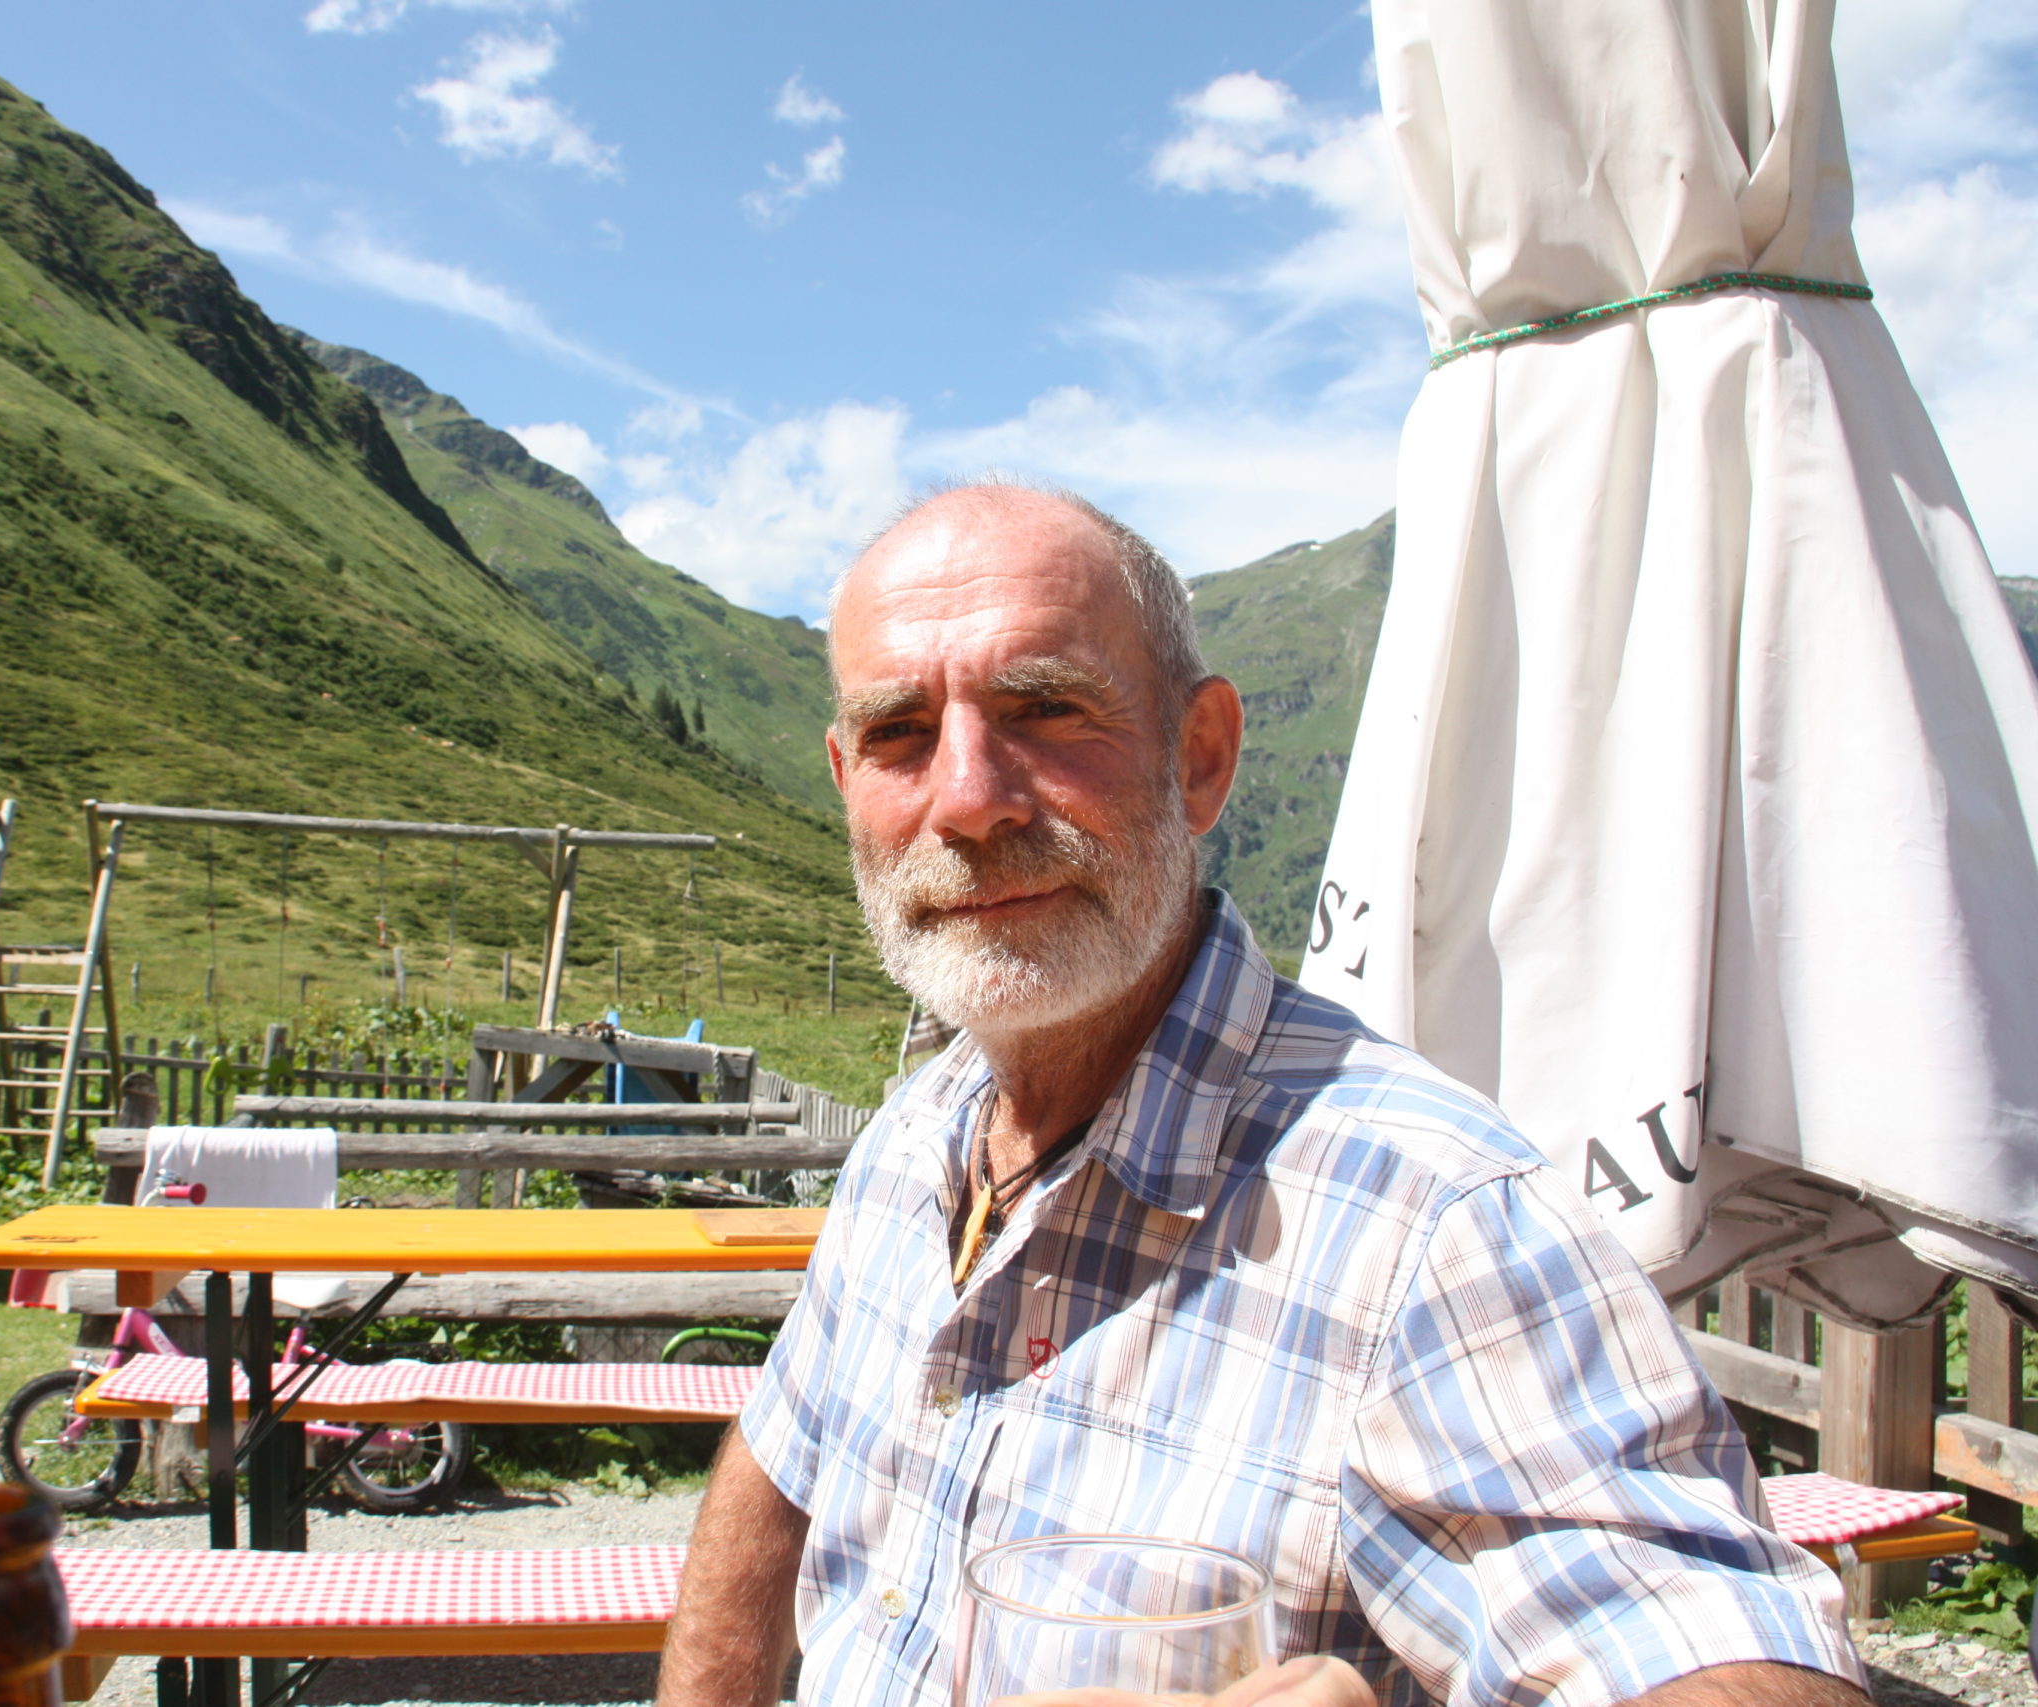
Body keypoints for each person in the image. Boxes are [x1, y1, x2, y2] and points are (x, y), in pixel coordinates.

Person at [655, 484, 1869, 1707]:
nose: (968, 798)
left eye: (1044, 709)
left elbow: (1705, 1654)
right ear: (843, 775)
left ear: (1201, 758)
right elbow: (782, 1460)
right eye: (899, 734)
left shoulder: (1429, 1224)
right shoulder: (913, 1137)